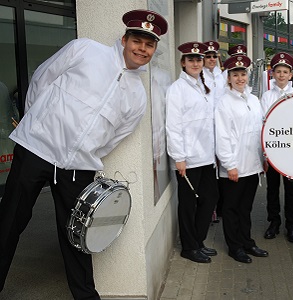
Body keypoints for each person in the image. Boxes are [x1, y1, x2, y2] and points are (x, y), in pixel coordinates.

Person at [0, 9, 168, 299]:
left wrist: (83, 149)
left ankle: (86, 296)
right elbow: (42, 79)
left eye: (149, 44)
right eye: (137, 41)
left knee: (76, 235)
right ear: (124, 39)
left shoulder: (137, 96)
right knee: (10, 221)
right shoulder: (85, 50)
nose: (142, 49)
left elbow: (114, 137)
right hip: (36, 148)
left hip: (78, 166)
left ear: (153, 50)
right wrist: (39, 124)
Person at [166, 42, 219, 264]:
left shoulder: (204, 85)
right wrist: (179, 157)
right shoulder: (177, 89)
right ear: (183, 63)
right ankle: (189, 247)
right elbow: (173, 125)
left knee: (209, 200)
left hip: (207, 156)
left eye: (199, 59)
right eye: (191, 60)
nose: (196, 63)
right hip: (188, 159)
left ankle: (198, 241)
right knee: (188, 204)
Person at [215, 54, 268, 264]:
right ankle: (234, 246)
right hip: (234, 168)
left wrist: (264, 157)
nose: (240, 78)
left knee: (246, 208)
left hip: (253, 165)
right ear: (228, 78)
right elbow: (222, 136)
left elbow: (260, 131)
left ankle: (247, 242)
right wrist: (229, 165)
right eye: (235, 74)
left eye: (243, 73)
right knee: (231, 209)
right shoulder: (224, 103)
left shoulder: (254, 100)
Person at [260, 52, 293, 243]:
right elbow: (262, 124)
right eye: (278, 71)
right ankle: (273, 222)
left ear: (291, 74)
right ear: (272, 74)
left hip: (292, 152)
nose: (282, 75)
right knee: (272, 189)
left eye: (285, 71)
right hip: (273, 150)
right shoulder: (266, 96)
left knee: (291, 190)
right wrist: (264, 155)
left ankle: (292, 226)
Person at [202, 40, 226, 222]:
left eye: (213, 56)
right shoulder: (199, 76)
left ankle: (221, 206)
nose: (211, 59)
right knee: (209, 171)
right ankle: (210, 210)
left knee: (223, 168)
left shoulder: (223, 76)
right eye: (207, 56)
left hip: (222, 128)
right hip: (206, 130)